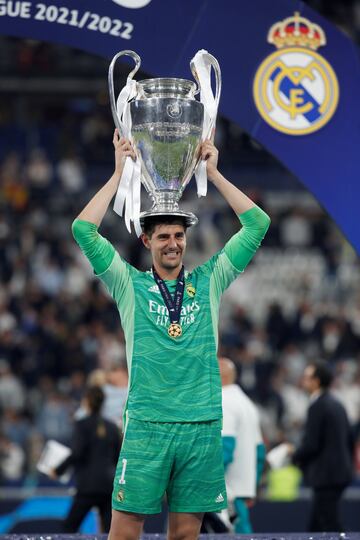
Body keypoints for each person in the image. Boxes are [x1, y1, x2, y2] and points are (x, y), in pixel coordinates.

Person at [71, 129, 270, 540]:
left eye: (179, 236)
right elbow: (83, 230)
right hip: (147, 424)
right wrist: (117, 173)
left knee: (184, 535)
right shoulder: (129, 283)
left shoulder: (210, 279)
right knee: (124, 532)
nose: (173, 243)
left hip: (201, 423)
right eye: (163, 236)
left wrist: (213, 173)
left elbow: (257, 223)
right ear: (147, 240)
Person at [288, 361, 354, 532]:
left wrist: (293, 455)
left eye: (307, 377)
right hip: (340, 472)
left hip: (326, 475)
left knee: (329, 525)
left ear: (316, 381)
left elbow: (312, 444)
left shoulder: (318, 406)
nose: (303, 380)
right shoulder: (337, 403)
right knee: (317, 526)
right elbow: (350, 439)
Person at [52, 386, 121, 532]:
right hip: (108, 486)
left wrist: (57, 470)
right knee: (109, 532)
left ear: (87, 402)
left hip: (87, 487)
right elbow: (117, 457)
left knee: (68, 529)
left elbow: (77, 453)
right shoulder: (112, 427)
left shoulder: (82, 425)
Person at [219, 356, 265, 533]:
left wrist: (203, 485)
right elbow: (259, 452)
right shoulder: (247, 403)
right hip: (240, 491)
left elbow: (224, 449)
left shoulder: (223, 400)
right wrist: (251, 487)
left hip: (224, 495)